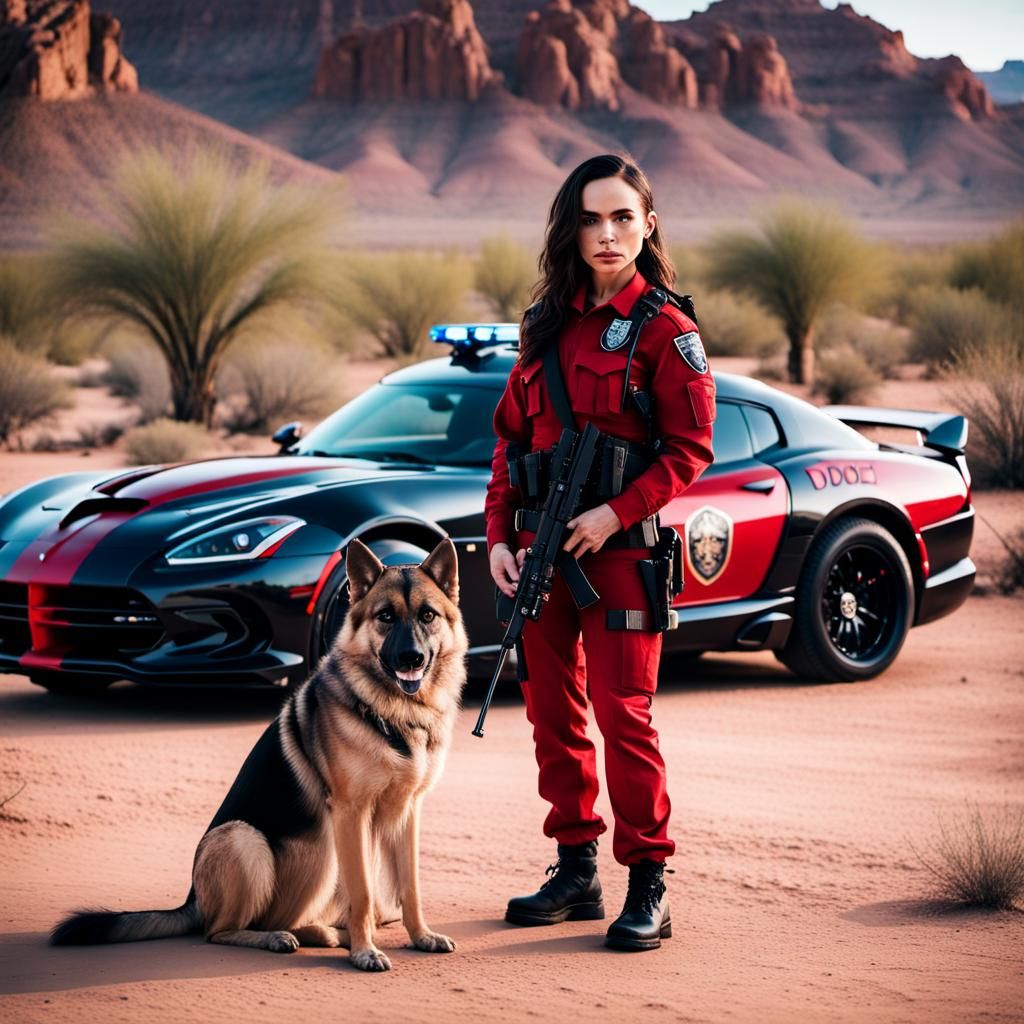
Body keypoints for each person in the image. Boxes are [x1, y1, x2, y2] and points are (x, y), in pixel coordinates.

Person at [483, 153, 716, 952]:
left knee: (625, 718)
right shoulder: (548, 324)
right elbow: (509, 443)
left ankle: (648, 880)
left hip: (620, 555)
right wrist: (497, 541)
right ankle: (574, 867)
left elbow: (689, 453)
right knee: (553, 714)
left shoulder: (667, 331)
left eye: (623, 216)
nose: (607, 233)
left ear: (648, 224)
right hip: (540, 555)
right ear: (571, 229)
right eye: (591, 218)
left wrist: (616, 514)